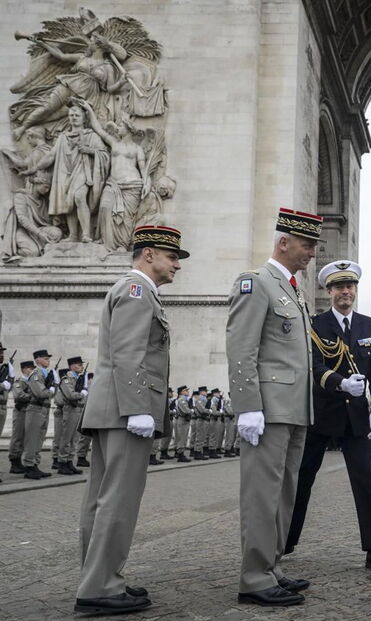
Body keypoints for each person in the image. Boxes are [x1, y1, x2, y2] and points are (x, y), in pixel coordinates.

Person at [75, 225, 188, 615]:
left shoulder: (132, 290)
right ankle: (100, 586)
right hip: (125, 411)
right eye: (172, 256)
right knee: (117, 500)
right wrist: (139, 407)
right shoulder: (137, 291)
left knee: (102, 499)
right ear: (148, 255)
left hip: (113, 408)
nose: (177, 264)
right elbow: (128, 353)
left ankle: (99, 577)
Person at [226, 208, 320, 607]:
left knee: (284, 494)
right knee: (262, 495)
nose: (312, 252)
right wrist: (248, 405)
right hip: (267, 409)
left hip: (294, 408)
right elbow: (242, 347)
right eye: (306, 244)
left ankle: (272, 565)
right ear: (284, 242)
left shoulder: (293, 289)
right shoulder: (256, 283)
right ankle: (254, 576)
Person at [285, 260, 371, 572]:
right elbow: (313, 366)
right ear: (329, 291)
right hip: (321, 413)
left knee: (366, 482)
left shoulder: (369, 326)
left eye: (350, 286)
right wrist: (341, 383)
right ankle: (283, 542)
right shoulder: (314, 324)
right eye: (339, 287)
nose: (345, 292)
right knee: (302, 481)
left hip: (356, 418)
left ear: (356, 291)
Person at [23, 349, 58, 479]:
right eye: (45, 358)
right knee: (32, 439)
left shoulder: (44, 374)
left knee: (39, 439)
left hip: (44, 409)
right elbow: (40, 393)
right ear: (37, 360)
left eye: (48, 359)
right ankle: (29, 466)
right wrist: (52, 390)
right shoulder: (36, 375)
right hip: (36, 409)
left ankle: (35, 464)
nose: (47, 361)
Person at [57, 356, 88, 475]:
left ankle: (69, 461)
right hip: (70, 410)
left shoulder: (78, 379)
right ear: (72, 366)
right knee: (67, 438)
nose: (81, 367)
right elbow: (70, 395)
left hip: (78, 410)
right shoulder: (66, 379)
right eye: (79, 365)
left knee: (74, 439)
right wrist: (82, 394)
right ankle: (62, 463)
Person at [174, 386, 192, 462]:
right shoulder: (182, 399)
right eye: (185, 390)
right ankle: (180, 455)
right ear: (181, 392)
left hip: (184, 420)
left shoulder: (184, 399)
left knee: (183, 437)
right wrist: (191, 410)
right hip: (182, 420)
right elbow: (185, 410)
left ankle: (181, 454)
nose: (187, 391)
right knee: (182, 438)